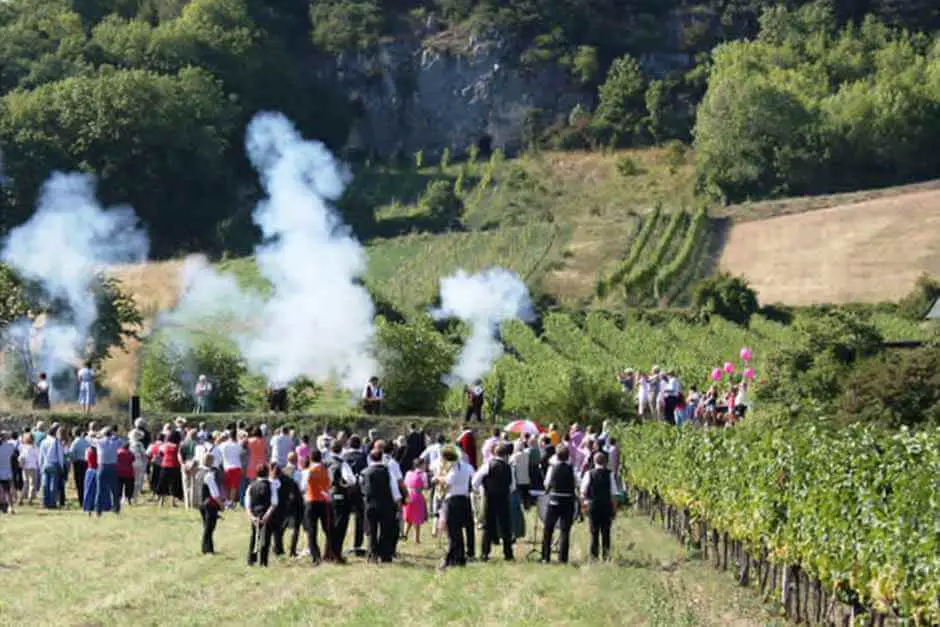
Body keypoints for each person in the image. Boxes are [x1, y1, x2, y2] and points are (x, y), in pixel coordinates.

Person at [472, 442, 515, 562]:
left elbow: (475, 481)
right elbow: (512, 486)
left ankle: (485, 553)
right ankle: (508, 554)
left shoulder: (488, 465)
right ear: (505, 454)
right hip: (504, 498)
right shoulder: (508, 467)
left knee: (488, 526)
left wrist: (482, 489)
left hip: (490, 497)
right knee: (505, 526)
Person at [360, 448, 401, 563]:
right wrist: (397, 502)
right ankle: (385, 555)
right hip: (386, 504)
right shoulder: (387, 471)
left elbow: (362, 489)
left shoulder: (364, 472)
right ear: (382, 457)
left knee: (372, 531)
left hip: (370, 504)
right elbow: (394, 488)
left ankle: (372, 554)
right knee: (386, 530)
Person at [438, 446, 474, 569]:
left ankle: (450, 559)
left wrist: (439, 478)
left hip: (453, 500)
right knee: (457, 531)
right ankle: (459, 558)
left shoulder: (454, 468)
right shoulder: (466, 467)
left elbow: (449, 481)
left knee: (453, 532)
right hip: (464, 499)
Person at [541, 445, 577, 564]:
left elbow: (547, 483)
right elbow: (579, 483)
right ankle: (563, 558)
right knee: (565, 530)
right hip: (568, 501)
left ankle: (545, 556)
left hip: (554, 500)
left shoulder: (553, 468)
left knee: (548, 529)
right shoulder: (572, 469)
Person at [581, 452, 618, 561]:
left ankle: (594, 556)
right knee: (606, 532)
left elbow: (583, 492)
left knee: (594, 531)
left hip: (593, 505)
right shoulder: (610, 474)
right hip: (606, 505)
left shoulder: (589, 474)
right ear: (606, 462)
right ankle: (606, 556)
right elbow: (614, 494)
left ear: (594, 461)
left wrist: (583, 506)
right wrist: (614, 509)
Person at [325, 441, 356, 561]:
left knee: (330, 526)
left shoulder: (325, 462)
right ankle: (336, 554)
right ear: (341, 449)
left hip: (328, 496)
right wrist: (346, 484)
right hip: (340, 496)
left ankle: (328, 553)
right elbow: (351, 480)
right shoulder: (342, 464)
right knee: (340, 526)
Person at [245, 464, 278, 567]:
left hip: (255, 514)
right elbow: (274, 502)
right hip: (267, 515)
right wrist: (266, 517)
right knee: (266, 538)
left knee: (254, 536)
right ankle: (263, 562)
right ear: (268, 472)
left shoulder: (251, 486)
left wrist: (252, 517)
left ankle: (251, 559)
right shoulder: (271, 485)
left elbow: (247, 504)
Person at [303, 449, 332, 565]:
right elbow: (329, 483)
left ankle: (316, 556)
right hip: (323, 501)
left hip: (311, 500)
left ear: (310, 458)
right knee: (327, 529)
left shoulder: (308, 471)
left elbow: (303, 485)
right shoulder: (325, 470)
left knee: (312, 530)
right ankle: (329, 552)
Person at [342, 435, 368, 556]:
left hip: (346, 489)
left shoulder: (344, 456)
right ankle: (358, 544)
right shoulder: (364, 457)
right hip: (359, 489)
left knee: (344, 517)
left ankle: (340, 542)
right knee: (359, 517)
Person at [271, 463, 304, 559]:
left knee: (278, 530)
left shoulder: (275, 482)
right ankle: (292, 551)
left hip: (281, 507)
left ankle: (278, 549)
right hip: (294, 505)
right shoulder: (291, 481)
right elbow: (296, 494)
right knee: (294, 529)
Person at [196, 454, 224, 554]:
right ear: (210, 461)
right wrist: (221, 504)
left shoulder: (199, 472)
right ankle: (205, 549)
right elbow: (215, 493)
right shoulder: (209, 475)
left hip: (201, 502)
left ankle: (209, 548)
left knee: (206, 526)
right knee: (210, 528)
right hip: (210, 504)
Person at [402, 458, 428, 544]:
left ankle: (405, 535)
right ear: (421, 465)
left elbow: (405, 483)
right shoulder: (423, 475)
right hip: (417, 496)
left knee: (408, 517)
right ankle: (417, 539)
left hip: (408, 495)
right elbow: (426, 486)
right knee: (417, 518)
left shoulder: (408, 473)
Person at [39, 425, 65, 509]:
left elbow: (41, 455)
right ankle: (52, 503)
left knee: (45, 484)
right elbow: (60, 455)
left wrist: (41, 466)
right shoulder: (55, 441)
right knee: (53, 485)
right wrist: (61, 466)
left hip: (45, 464)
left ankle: (45, 502)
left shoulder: (43, 441)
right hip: (54, 464)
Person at [157, 430, 183, 508]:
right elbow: (180, 455)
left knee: (163, 484)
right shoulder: (178, 446)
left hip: (165, 465)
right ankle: (173, 503)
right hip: (175, 466)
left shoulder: (165, 445)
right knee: (174, 485)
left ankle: (161, 502)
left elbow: (160, 454)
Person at [219, 432, 242, 508]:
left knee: (226, 485)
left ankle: (227, 501)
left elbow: (219, 451)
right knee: (234, 486)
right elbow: (240, 453)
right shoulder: (238, 445)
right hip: (236, 466)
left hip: (226, 467)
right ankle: (231, 502)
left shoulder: (223, 445)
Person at [17, 433, 40, 505]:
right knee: (32, 484)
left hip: (25, 467)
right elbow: (37, 457)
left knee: (25, 484)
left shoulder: (23, 447)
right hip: (33, 466)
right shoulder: (34, 447)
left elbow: (20, 457)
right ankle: (30, 500)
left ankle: (20, 498)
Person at [510, 439, 532, 508]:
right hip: (526, 478)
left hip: (518, 479)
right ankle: (526, 507)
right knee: (525, 495)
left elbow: (510, 465)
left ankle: (520, 508)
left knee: (519, 496)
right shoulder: (527, 455)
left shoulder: (514, 456)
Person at [0, 432, 16, 514]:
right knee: (7, 490)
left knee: (2, 490)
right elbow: (13, 455)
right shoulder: (10, 446)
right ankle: (10, 507)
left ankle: (3, 505)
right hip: (6, 471)